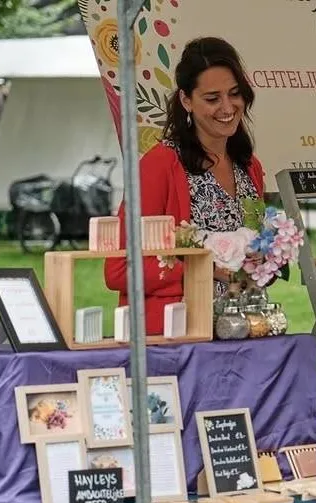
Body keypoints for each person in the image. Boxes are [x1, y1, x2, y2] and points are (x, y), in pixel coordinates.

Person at [104, 37, 265, 335]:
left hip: (245, 333)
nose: (227, 107)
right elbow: (118, 270)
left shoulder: (249, 166)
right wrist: (203, 270)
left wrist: (265, 258)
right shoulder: (159, 165)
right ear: (186, 100)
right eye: (212, 98)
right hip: (177, 340)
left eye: (234, 93)